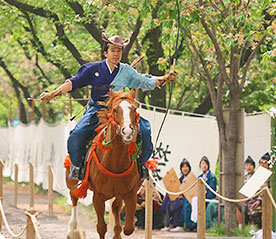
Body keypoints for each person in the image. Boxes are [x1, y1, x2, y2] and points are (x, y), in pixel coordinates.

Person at [40, 33, 177, 180]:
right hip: (96, 110)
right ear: (106, 53)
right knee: (76, 134)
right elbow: (74, 82)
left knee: (144, 130)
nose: (116, 54)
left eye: (119, 51)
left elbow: (143, 80)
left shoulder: (126, 71)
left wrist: (164, 79)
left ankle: (140, 166)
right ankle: (78, 167)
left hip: (117, 110)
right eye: (113, 50)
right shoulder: (92, 69)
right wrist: (54, 93)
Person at [182, 156, 217, 231]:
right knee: (188, 204)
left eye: (205, 164)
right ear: (200, 166)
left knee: (196, 202)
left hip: (207, 197)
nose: (204, 165)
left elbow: (211, 190)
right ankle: (190, 226)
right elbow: (193, 188)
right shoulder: (199, 177)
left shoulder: (212, 177)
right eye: (202, 164)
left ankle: (196, 225)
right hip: (198, 197)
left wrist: (203, 192)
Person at [159, 158, 191, 232]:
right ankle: (168, 224)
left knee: (179, 204)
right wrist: (169, 176)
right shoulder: (181, 178)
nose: (185, 168)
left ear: (189, 168)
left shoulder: (191, 178)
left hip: (186, 199)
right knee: (169, 204)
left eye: (186, 166)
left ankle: (179, 225)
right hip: (178, 198)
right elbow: (175, 187)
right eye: (183, 167)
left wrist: (183, 195)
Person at [248, 152, 271, 228]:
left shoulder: (271, 175)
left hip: (266, 200)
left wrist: (259, 200)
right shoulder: (258, 174)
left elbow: (269, 190)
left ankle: (263, 228)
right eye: (260, 163)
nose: (262, 165)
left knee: (255, 209)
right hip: (254, 198)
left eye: (264, 163)